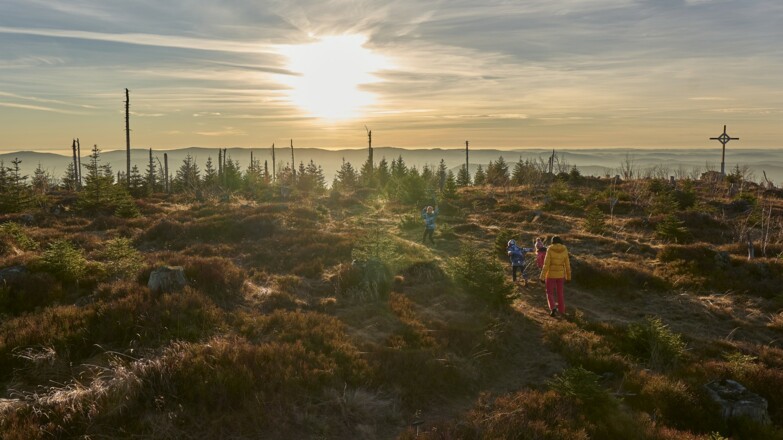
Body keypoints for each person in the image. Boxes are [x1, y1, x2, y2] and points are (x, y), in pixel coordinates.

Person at [539, 235, 571, 317]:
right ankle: (562, 310)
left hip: (550, 275)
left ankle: (553, 307)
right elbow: (567, 264)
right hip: (560, 275)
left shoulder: (550, 249)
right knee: (560, 293)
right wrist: (568, 277)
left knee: (549, 292)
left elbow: (546, 264)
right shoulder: (564, 249)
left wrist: (542, 277)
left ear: (552, 242)